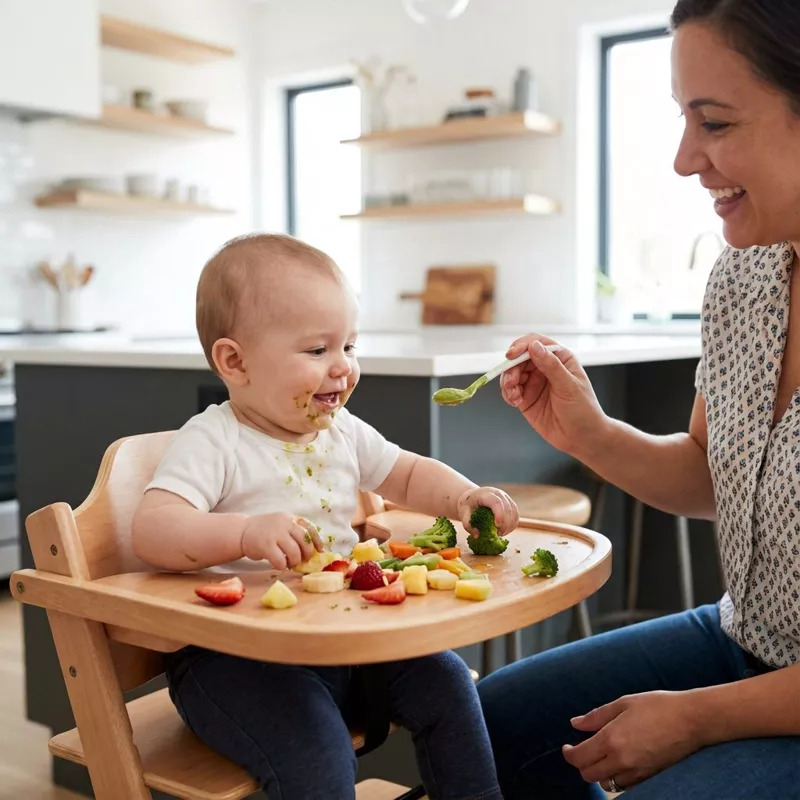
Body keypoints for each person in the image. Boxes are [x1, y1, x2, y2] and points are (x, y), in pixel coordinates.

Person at [477, 1, 800, 798]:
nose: (685, 158)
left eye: (716, 122)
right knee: (480, 724)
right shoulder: (745, 277)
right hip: (746, 637)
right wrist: (585, 430)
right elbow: (707, 474)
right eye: (682, 118)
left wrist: (698, 717)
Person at [131, 232, 517, 800]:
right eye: (317, 351)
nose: (341, 369)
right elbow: (153, 529)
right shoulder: (213, 441)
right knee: (316, 751)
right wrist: (243, 531)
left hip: (346, 641)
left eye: (350, 348)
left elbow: (406, 474)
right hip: (237, 663)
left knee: (450, 685)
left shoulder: (339, 432)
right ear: (234, 361)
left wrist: (462, 498)